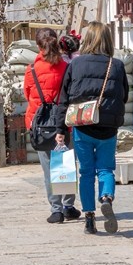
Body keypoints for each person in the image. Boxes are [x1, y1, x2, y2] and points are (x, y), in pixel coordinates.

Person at [50, 21, 128, 236]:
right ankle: (106, 197)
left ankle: (90, 219)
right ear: (108, 40)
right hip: (109, 127)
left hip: (82, 126)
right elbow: (124, 95)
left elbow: (64, 98)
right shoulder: (117, 65)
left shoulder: (76, 64)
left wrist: (60, 129)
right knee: (106, 169)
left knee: (86, 173)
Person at [24, 28, 77, 225]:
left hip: (40, 126)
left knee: (48, 169)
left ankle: (56, 210)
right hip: (62, 123)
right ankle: (68, 206)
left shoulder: (31, 70)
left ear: (38, 46)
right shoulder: (67, 67)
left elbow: (28, 95)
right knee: (64, 165)